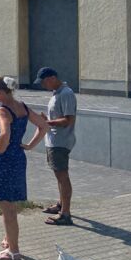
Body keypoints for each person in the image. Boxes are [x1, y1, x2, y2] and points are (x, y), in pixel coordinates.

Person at [0, 76, 48, 260]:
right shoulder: (22, 107)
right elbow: (44, 126)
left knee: (7, 208)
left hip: (4, 160)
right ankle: (9, 238)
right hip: (19, 158)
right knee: (11, 204)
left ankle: (13, 251)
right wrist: (29, 145)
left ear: (0, 91)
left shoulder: (2, 110)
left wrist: (1, 148)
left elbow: (5, 133)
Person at [34, 67, 77, 226]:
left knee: (62, 177)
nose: (43, 86)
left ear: (52, 78)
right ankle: (61, 205)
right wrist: (48, 119)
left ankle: (65, 214)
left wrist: (47, 122)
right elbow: (58, 118)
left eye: (44, 82)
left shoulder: (66, 94)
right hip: (54, 140)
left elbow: (68, 120)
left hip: (60, 142)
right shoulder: (57, 93)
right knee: (59, 176)